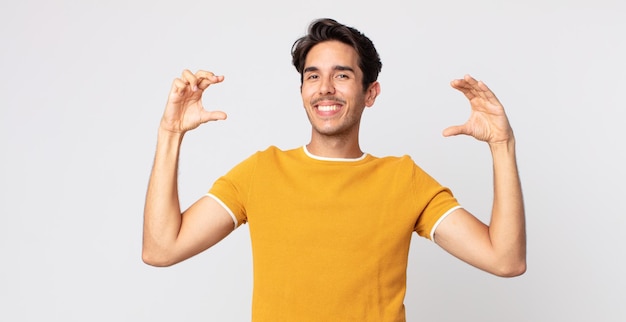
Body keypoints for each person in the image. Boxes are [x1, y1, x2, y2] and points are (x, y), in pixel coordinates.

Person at [142, 18, 526, 321]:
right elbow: (161, 248)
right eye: (313, 75)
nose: (325, 87)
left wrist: (501, 145)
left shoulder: (403, 180)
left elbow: (505, 259)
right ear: (302, 91)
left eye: (341, 75)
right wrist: (170, 132)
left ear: (370, 92)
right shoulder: (261, 172)